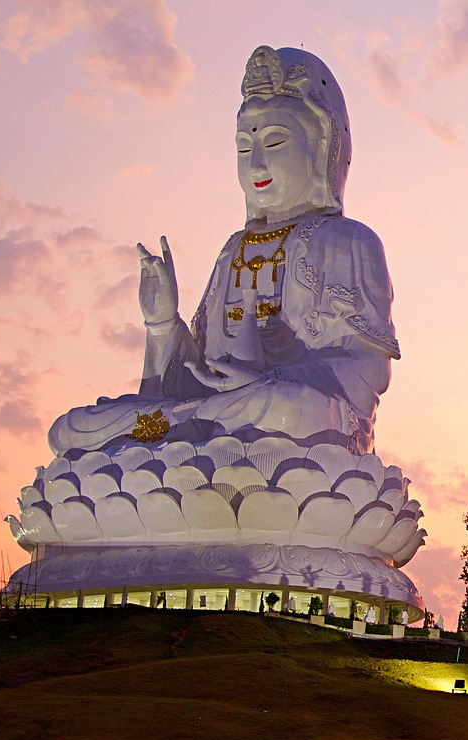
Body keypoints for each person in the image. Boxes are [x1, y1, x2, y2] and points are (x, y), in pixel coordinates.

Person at [48, 46, 401, 457]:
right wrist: (162, 325)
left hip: (289, 416)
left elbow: (369, 369)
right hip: (214, 411)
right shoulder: (232, 249)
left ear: (322, 147)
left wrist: (267, 384)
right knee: (70, 429)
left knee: (283, 411)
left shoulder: (348, 241)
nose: (255, 166)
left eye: (274, 142)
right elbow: (193, 377)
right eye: (243, 148)